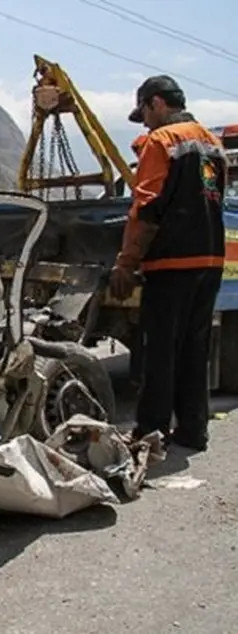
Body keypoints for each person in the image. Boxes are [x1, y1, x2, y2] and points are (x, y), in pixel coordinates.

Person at [109, 75, 228, 451]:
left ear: (157, 103)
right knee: (194, 349)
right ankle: (194, 432)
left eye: (143, 111)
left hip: (171, 262)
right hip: (210, 260)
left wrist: (126, 263)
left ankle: (150, 432)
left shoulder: (161, 142)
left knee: (158, 348)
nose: (143, 121)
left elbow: (146, 207)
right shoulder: (213, 144)